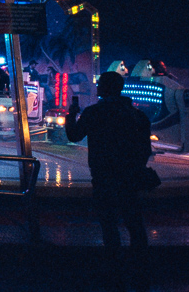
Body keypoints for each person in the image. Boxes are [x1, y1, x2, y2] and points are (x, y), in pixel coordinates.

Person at [65, 72, 151, 270]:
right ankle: (141, 264)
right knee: (134, 222)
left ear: (104, 88)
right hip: (130, 177)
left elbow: (74, 136)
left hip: (103, 176)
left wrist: (71, 115)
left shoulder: (94, 113)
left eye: (100, 84)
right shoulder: (137, 116)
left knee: (109, 223)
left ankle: (113, 265)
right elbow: (145, 149)